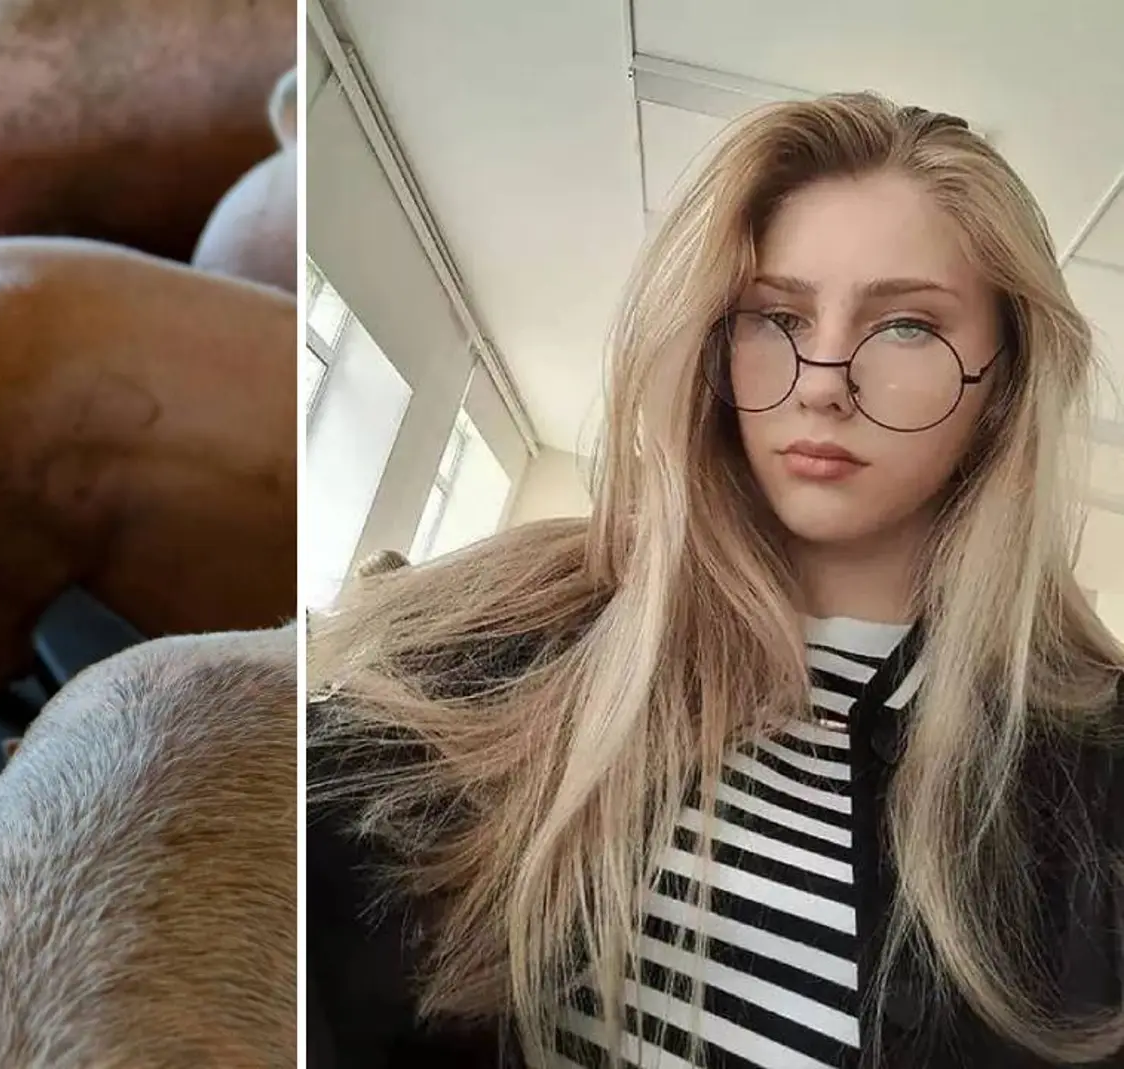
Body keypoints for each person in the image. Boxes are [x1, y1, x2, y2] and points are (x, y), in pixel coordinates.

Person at [305, 92, 1124, 1069]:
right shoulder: (510, 613)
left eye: (905, 326)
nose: (823, 376)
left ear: (1004, 384)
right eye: (776, 316)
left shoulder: (1091, 775)